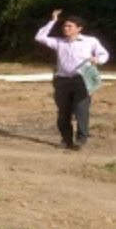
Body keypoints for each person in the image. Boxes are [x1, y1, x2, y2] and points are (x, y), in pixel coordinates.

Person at [35, 10, 110, 150]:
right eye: (64, 26)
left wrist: (97, 59)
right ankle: (66, 139)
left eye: (70, 26)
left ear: (79, 28)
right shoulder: (59, 42)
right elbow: (40, 37)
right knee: (63, 112)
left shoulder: (90, 41)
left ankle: (81, 139)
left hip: (82, 80)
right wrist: (53, 21)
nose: (66, 28)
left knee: (81, 110)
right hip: (62, 80)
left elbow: (104, 54)